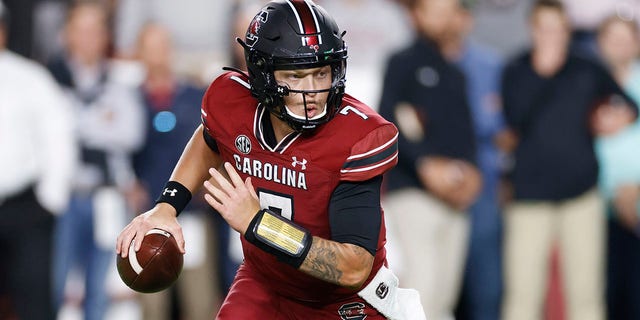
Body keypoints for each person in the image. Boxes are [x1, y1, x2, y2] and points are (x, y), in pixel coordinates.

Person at [116, 1, 425, 319]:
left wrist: (258, 223)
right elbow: (209, 137)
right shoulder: (231, 102)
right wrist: (167, 207)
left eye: (321, 73)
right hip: (266, 283)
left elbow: (354, 267)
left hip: (342, 301)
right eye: (295, 75)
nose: (314, 92)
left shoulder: (357, 136)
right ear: (262, 75)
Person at [499, 1, 638, 320]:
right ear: (532, 30)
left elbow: (628, 103)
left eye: (558, 29)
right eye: (544, 28)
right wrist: (543, 72)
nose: (552, 36)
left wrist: (618, 116)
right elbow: (514, 117)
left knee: (587, 296)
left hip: (582, 195)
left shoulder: (587, 66)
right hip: (529, 197)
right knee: (522, 296)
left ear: (568, 31)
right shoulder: (516, 69)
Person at [378, 0, 482, 319]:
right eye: (436, 10)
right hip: (412, 192)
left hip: (455, 196)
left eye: (449, 10)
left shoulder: (456, 72)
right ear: (417, 15)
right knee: (421, 293)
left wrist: (473, 176)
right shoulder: (402, 61)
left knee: (445, 297)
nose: (444, 18)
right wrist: (424, 164)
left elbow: (467, 137)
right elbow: (386, 124)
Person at [47, 2, 144, 319]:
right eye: (82, 30)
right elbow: (50, 136)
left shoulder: (120, 82)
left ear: (105, 37)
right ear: (67, 35)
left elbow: (132, 132)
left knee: (101, 284)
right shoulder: (49, 80)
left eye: (96, 30)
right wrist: (100, 122)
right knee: (55, 281)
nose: (89, 38)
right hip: (62, 196)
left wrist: (76, 127)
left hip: (106, 194)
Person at [128, 22, 222, 320]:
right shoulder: (129, 100)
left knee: (200, 300)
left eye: (163, 46)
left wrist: (210, 180)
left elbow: (218, 145)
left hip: (192, 212)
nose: (158, 55)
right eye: (151, 47)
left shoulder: (197, 97)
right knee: (151, 301)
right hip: (145, 218)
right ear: (139, 53)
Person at [0, 2, 77, 319]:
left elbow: (59, 137)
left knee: (35, 306)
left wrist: (50, 201)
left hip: (24, 210)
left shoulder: (30, 77)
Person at [440, 3, 507, 320]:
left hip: (485, 182)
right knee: (440, 287)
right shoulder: (418, 60)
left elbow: (502, 130)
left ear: (467, 19)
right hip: (435, 181)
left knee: (487, 287)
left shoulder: (489, 65)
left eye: (454, 13)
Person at [593, 15, 640, 320]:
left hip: (636, 207)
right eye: (612, 39)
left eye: (626, 39)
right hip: (594, 205)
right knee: (601, 297)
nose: (619, 46)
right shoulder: (587, 81)